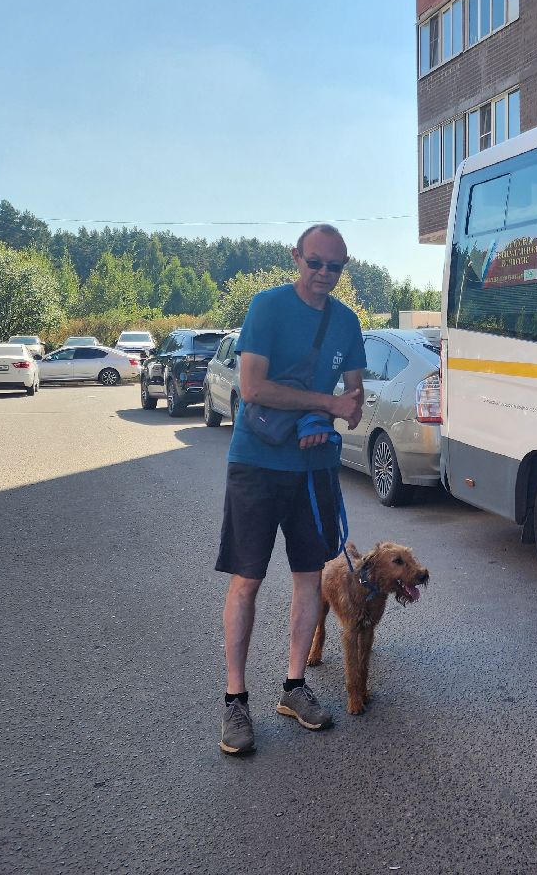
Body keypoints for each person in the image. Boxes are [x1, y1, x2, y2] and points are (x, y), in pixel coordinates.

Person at [216, 223, 366, 755]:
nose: (324, 274)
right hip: (257, 463)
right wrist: (323, 405)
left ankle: (294, 686)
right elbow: (252, 386)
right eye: (316, 263)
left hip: (315, 468)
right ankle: (236, 699)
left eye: (335, 267)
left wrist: (343, 410)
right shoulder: (267, 308)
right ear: (296, 257)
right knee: (247, 582)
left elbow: (354, 399)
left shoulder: (347, 323)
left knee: (308, 580)